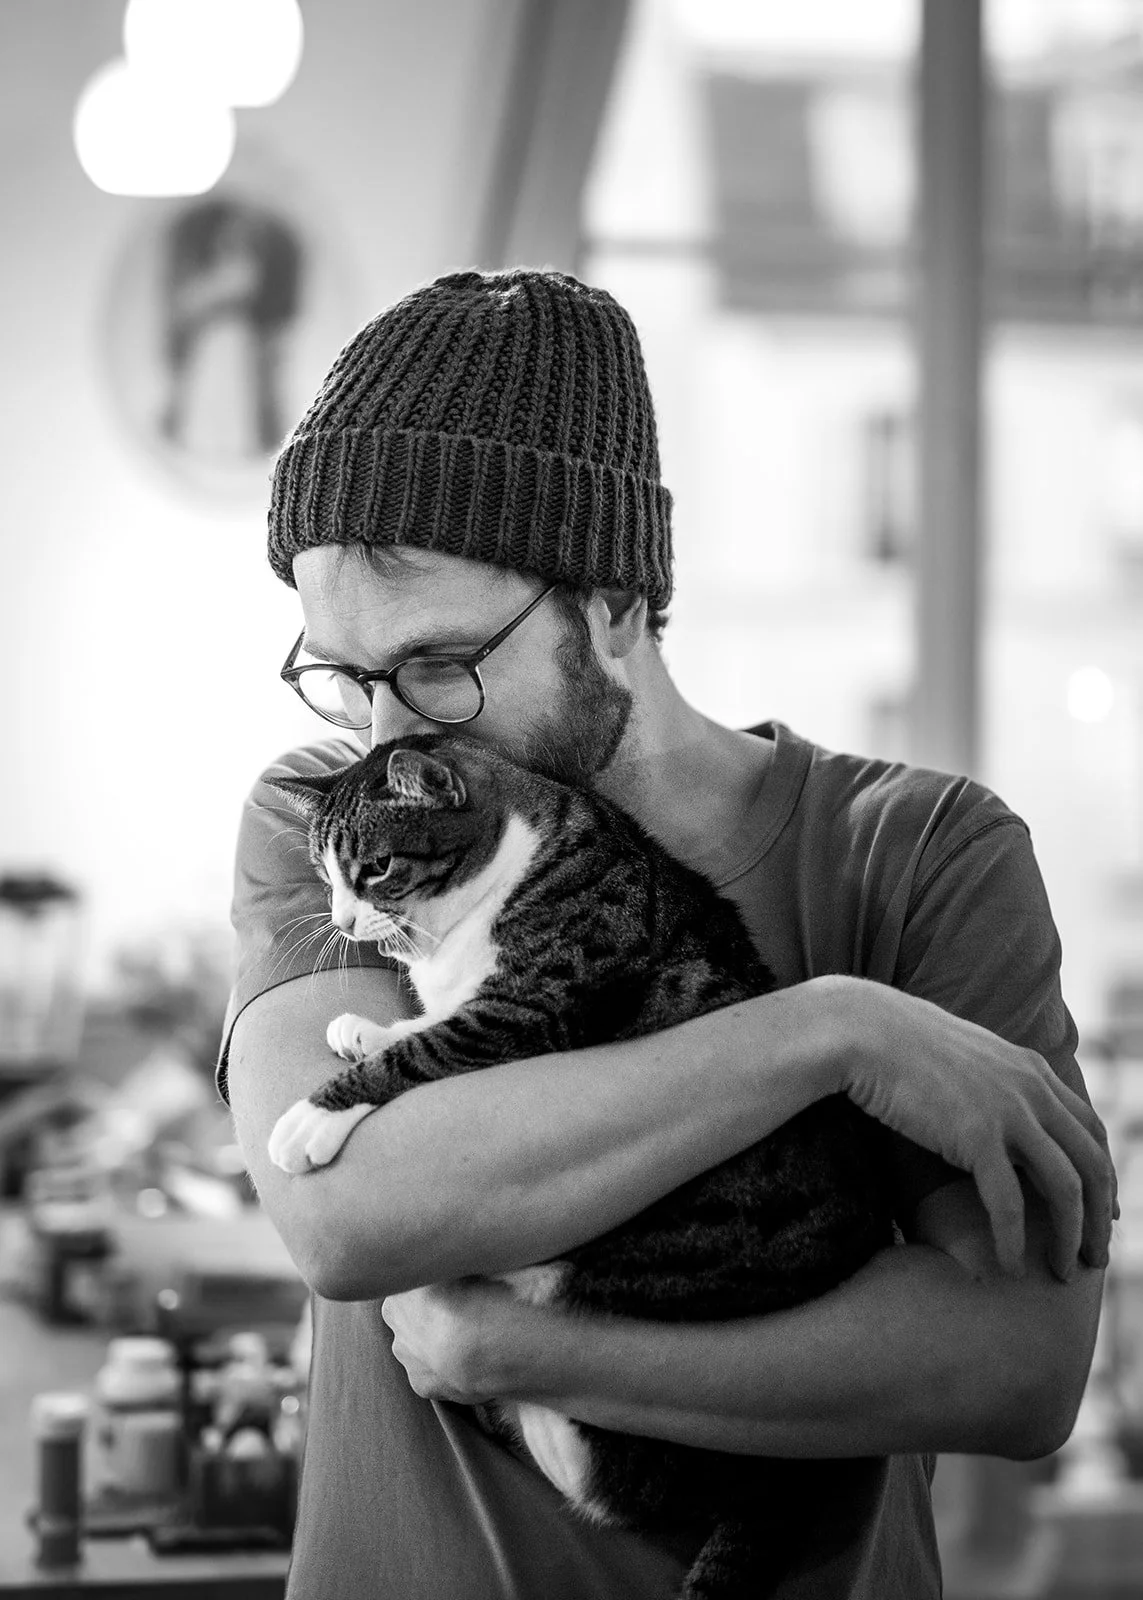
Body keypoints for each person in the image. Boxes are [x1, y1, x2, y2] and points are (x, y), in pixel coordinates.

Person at [219, 268, 1115, 1599]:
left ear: (617, 606)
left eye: (437, 666)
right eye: (346, 677)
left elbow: (1016, 1367)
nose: (389, 734)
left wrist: (538, 1357)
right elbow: (350, 1215)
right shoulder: (331, 817)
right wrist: (828, 1034)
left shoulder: (923, 853)